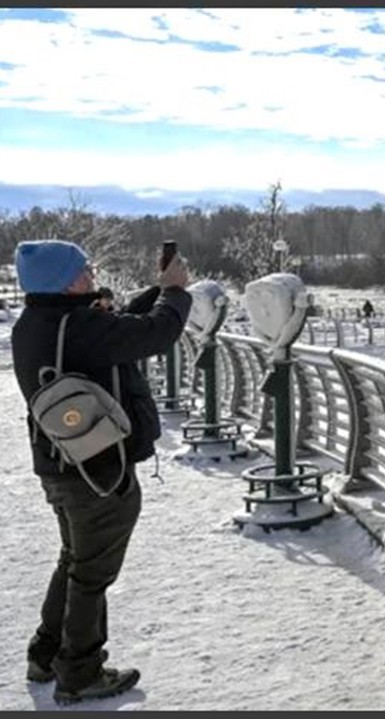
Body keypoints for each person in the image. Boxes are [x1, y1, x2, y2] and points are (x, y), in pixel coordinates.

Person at [11, 239, 192, 705]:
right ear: (64, 280)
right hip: (97, 474)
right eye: (84, 270)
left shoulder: (36, 323)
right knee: (91, 573)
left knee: (75, 559)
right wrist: (174, 292)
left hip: (58, 465)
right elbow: (153, 335)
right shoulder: (79, 326)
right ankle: (80, 673)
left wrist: (153, 291)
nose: (92, 275)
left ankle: (47, 653)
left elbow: (116, 328)